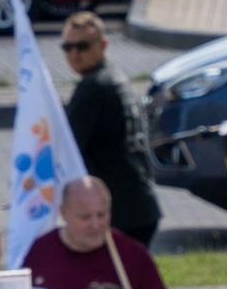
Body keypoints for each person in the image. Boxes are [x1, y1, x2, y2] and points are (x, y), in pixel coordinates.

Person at [23, 176, 184, 289]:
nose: (96, 224)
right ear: (63, 212)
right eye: (85, 217)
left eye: (102, 215)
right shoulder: (40, 252)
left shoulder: (132, 254)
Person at [59, 12, 159, 244]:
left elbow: (69, 150)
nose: (74, 54)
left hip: (117, 211)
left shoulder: (92, 89)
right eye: (67, 47)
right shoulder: (116, 79)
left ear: (103, 44)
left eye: (82, 46)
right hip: (139, 203)